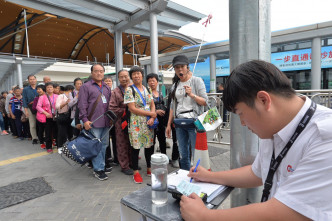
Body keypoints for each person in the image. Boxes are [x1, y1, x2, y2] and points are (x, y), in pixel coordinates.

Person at [180, 60, 332, 221]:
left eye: (240, 113)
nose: (243, 124)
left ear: (263, 100)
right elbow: (257, 172)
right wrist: (210, 176)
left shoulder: (325, 136)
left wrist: (205, 216)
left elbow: (289, 212)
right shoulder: (274, 126)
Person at [166, 55, 208, 170]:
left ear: (187, 67)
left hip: (194, 122)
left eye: (182, 67)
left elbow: (205, 102)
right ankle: (185, 175)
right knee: (183, 153)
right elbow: (172, 106)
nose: (180, 70)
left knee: (197, 153)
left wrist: (192, 95)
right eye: (177, 67)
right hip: (179, 122)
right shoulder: (175, 85)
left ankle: (199, 176)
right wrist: (169, 125)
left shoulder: (196, 81)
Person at [78, 64, 112, 181]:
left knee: (104, 145)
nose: (99, 73)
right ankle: (98, 169)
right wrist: (85, 120)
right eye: (96, 71)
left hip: (106, 122)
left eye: (101, 71)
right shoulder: (85, 87)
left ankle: (101, 164)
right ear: (92, 73)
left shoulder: (107, 87)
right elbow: (82, 105)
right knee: (96, 146)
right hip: (93, 122)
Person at [124, 66, 156, 184]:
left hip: (148, 122)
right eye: (134, 74)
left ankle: (149, 168)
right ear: (131, 77)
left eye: (138, 73)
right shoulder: (129, 90)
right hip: (136, 122)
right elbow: (132, 108)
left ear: (142, 75)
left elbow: (152, 103)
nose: (136, 76)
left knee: (149, 146)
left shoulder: (147, 88)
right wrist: (151, 114)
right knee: (135, 148)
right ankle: (136, 172)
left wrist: (152, 116)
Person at [109, 70, 133, 175]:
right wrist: (126, 110)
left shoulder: (133, 89)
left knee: (132, 142)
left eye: (126, 76)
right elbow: (112, 107)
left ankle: (132, 162)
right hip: (121, 121)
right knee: (122, 143)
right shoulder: (115, 92)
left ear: (129, 77)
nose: (124, 79)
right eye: (121, 77)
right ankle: (124, 166)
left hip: (134, 120)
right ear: (118, 79)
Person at [146, 73, 167, 155]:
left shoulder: (160, 93)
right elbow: (146, 107)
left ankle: (164, 157)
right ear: (147, 82)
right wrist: (156, 112)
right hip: (152, 119)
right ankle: (151, 159)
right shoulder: (146, 93)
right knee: (152, 139)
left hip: (161, 119)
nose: (152, 83)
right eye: (150, 81)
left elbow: (163, 103)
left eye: (153, 80)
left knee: (162, 139)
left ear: (157, 82)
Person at [36, 82, 58, 153]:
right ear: (45, 89)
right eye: (48, 87)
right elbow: (38, 107)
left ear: (53, 88)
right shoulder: (42, 97)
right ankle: (49, 147)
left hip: (56, 116)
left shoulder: (57, 96)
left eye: (51, 87)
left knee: (57, 131)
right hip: (47, 117)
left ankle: (58, 145)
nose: (49, 88)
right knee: (48, 132)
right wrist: (45, 113)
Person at [103, 76, 119, 167]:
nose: (108, 82)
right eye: (106, 81)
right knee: (106, 141)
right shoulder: (101, 93)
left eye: (110, 81)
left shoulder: (115, 92)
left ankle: (117, 158)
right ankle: (108, 157)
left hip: (115, 120)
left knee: (116, 140)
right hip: (105, 120)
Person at [22, 75, 39, 144]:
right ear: (28, 80)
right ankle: (34, 138)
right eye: (30, 79)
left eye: (33, 79)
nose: (32, 80)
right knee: (32, 124)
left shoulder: (39, 88)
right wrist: (26, 111)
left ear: (36, 80)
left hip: (40, 107)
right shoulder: (25, 89)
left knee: (42, 123)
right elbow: (24, 100)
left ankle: (43, 136)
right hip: (30, 108)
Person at [33, 85, 46, 149]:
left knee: (48, 130)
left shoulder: (48, 97)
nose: (38, 90)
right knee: (41, 130)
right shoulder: (36, 98)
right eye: (37, 89)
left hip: (48, 116)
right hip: (40, 116)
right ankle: (41, 142)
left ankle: (49, 141)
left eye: (39, 89)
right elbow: (34, 108)